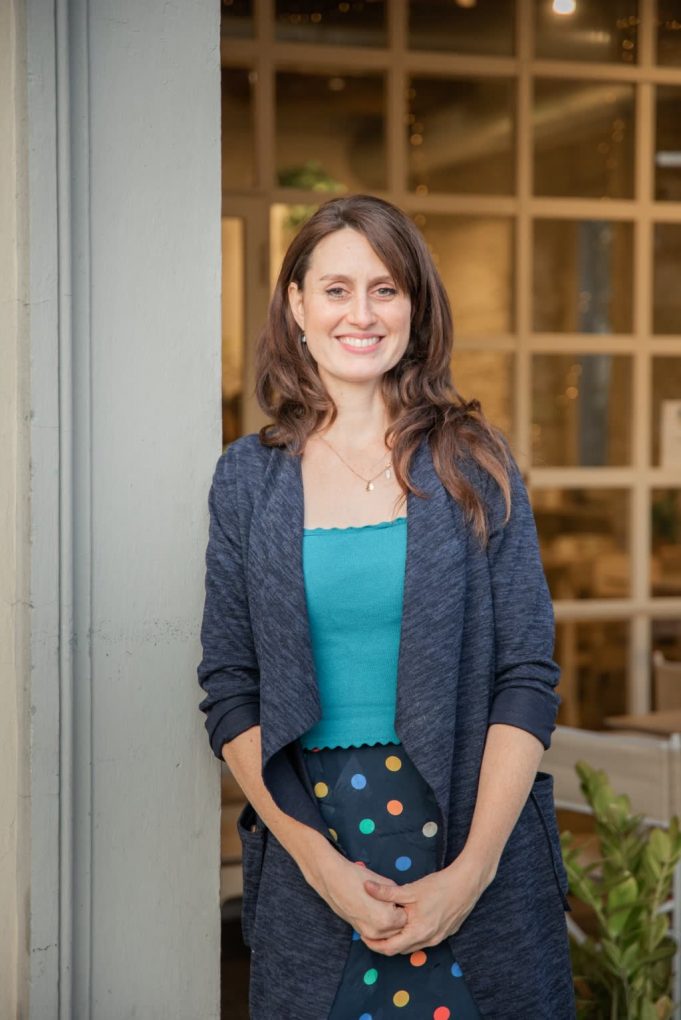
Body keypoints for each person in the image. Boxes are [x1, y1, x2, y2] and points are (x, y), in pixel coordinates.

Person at [197, 194, 575, 1019]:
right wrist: (319, 865)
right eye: (335, 289)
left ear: (415, 307)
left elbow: (525, 675)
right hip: (316, 846)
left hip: (474, 839)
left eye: (385, 289)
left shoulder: (474, 463)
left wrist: (470, 873)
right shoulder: (247, 479)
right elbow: (230, 689)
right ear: (296, 305)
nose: (359, 314)